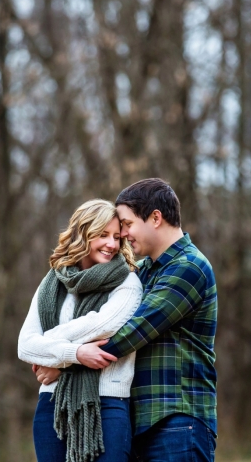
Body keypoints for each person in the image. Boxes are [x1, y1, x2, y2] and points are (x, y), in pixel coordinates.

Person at [44, 179, 218, 461]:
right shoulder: (144, 271)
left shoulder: (188, 267)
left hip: (178, 421)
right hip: (139, 422)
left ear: (156, 218)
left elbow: (131, 333)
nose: (122, 234)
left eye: (126, 224)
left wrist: (64, 362)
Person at [17, 199, 143, 462]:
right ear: (82, 234)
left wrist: (50, 350)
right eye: (102, 235)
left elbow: (103, 324)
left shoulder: (128, 283)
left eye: (117, 237)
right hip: (52, 404)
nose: (112, 244)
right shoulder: (52, 283)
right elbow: (24, 346)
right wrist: (75, 352)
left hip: (108, 405)